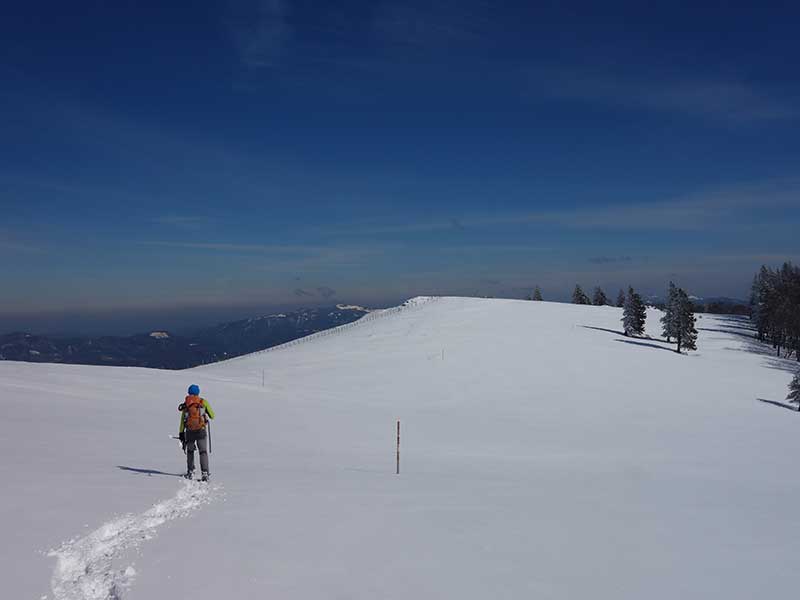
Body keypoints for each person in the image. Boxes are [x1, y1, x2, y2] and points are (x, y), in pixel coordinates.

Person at [178, 384, 215, 481]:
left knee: (190, 451)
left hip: (189, 431)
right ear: (198, 392)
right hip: (201, 430)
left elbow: (183, 420)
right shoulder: (203, 402)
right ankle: (205, 473)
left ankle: (190, 471)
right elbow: (212, 415)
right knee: (203, 452)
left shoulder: (186, 403)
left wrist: (181, 432)